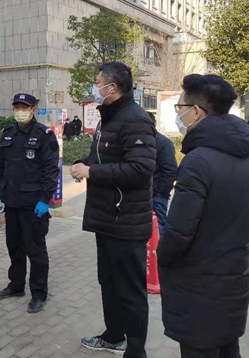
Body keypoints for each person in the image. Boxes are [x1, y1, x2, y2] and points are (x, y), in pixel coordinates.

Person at [157, 75, 249, 358]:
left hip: (199, 285)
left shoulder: (198, 160)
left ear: (196, 112)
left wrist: (162, 257)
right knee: (227, 348)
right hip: (235, 276)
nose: (178, 115)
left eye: (180, 108)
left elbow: (179, 232)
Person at [70, 62, 156, 358]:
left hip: (126, 222)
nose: (94, 88)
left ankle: (136, 350)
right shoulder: (109, 117)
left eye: (97, 83)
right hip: (107, 218)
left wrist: (92, 172)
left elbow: (140, 168)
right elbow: (103, 156)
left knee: (130, 290)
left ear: (113, 87)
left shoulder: (135, 119)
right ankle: (114, 336)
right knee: (108, 282)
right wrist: (84, 163)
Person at [0, 93, 60, 314]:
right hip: (12, 202)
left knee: (36, 250)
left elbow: (51, 170)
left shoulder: (44, 135)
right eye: (17, 107)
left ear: (33, 110)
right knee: (14, 247)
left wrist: (45, 199)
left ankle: (39, 293)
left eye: (25, 107)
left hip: (33, 206)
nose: (20, 111)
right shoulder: (8, 133)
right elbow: (0, 166)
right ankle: (16, 285)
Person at [147, 112, 178, 237]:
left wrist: (160, 191)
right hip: (139, 196)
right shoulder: (136, 141)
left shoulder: (162, 143)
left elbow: (170, 170)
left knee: (159, 229)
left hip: (157, 197)